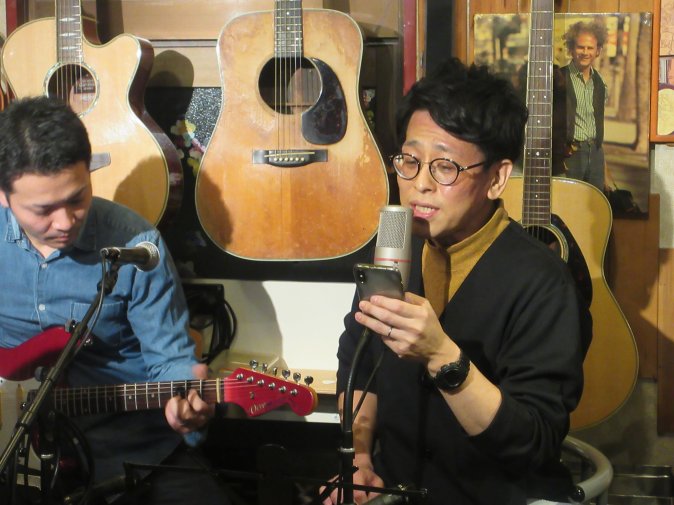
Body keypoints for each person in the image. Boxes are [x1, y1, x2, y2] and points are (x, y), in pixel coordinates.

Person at [325, 58, 592, 505]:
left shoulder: (544, 283)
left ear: (497, 178)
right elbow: (357, 360)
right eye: (410, 161)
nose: (420, 185)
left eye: (445, 167)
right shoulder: (394, 254)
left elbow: (532, 442)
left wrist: (441, 355)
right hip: (395, 489)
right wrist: (361, 460)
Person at [0, 97, 231, 504]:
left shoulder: (137, 246)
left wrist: (188, 406)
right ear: (4, 195)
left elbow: (171, 361)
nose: (65, 222)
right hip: (13, 453)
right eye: (43, 210)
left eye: (77, 198)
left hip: (129, 448)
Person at [560, 20, 610, 191]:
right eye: (580, 47)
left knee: (595, 204)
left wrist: (604, 169)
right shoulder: (559, 79)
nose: (585, 52)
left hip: (595, 153)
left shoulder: (600, 82)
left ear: (598, 51)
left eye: (590, 48)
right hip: (570, 154)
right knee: (570, 202)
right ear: (571, 49)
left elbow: (598, 124)